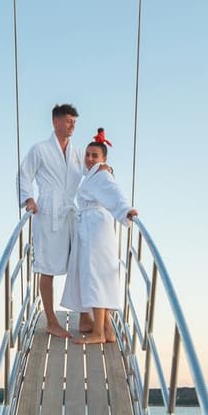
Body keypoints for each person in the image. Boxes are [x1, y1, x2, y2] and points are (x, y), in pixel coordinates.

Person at [18, 103, 83, 339]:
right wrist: (29, 199)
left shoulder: (77, 152)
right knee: (47, 267)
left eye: (75, 122)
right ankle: (51, 321)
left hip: (69, 213)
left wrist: (103, 167)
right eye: (68, 121)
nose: (72, 125)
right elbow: (24, 173)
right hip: (47, 212)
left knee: (81, 259)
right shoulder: (40, 149)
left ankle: (86, 316)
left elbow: (91, 169)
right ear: (56, 122)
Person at [68, 128, 137, 346]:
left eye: (94, 155)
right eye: (87, 155)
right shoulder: (93, 174)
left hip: (95, 228)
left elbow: (114, 191)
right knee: (100, 274)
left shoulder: (101, 174)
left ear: (103, 159)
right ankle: (106, 328)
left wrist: (126, 209)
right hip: (97, 225)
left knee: (96, 275)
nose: (89, 158)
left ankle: (98, 332)